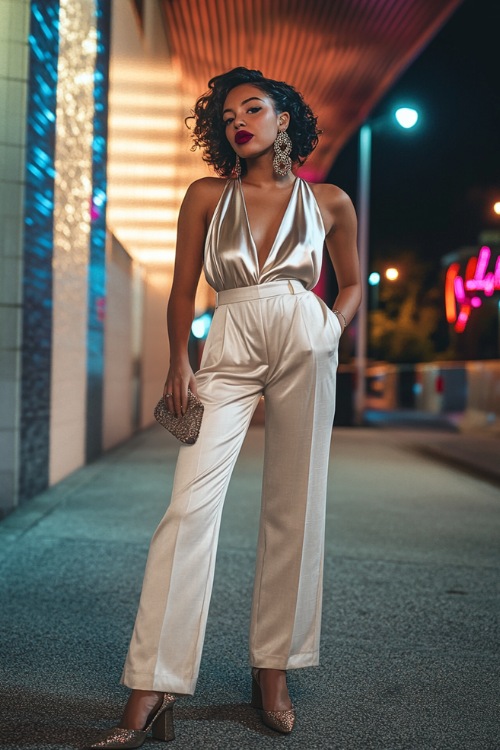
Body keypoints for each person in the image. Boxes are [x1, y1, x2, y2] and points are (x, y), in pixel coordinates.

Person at [86, 66, 361, 748]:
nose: (239, 120)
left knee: (294, 507)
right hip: (229, 342)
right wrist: (180, 358)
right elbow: (183, 289)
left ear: (284, 118)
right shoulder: (208, 195)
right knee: (188, 508)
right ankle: (152, 685)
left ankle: (274, 669)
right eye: (228, 115)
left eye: (254, 107)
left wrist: (330, 325)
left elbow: (353, 282)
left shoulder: (329, 201)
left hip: (305, 337)